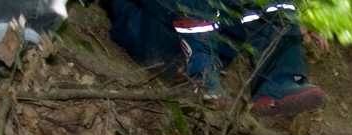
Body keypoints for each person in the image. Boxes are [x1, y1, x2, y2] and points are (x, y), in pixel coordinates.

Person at [105, 0, 326, 117]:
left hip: (211, 39)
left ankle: (280, 81)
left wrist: (291, 23)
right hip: (152, 33)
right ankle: (202, 75)